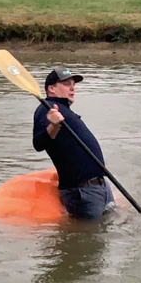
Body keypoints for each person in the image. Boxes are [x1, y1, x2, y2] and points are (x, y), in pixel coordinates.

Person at [32, 66, 115, 219]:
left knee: (107, 231)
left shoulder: (64, 110)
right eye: (66, 84)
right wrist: (54, 125)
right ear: (51, 89)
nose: (72, 88)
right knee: (90, 240)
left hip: (99, 186)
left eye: (73, 84)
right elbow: (38, 144)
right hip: (82, 191)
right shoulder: (47, 109)